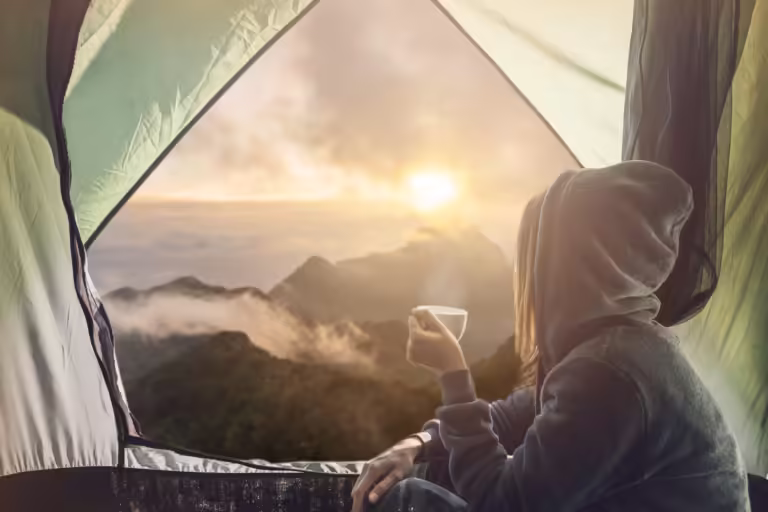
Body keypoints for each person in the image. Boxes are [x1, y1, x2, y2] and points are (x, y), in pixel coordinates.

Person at [351, 161, 750, 512]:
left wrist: (453, 376)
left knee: (404, 501)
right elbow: (512, 416)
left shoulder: (610, 373)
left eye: (536, 256)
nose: (522, 274)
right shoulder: (623, 348)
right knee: (437, 471)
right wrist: (419, 443)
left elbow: (501, 505)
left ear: (572, 264)